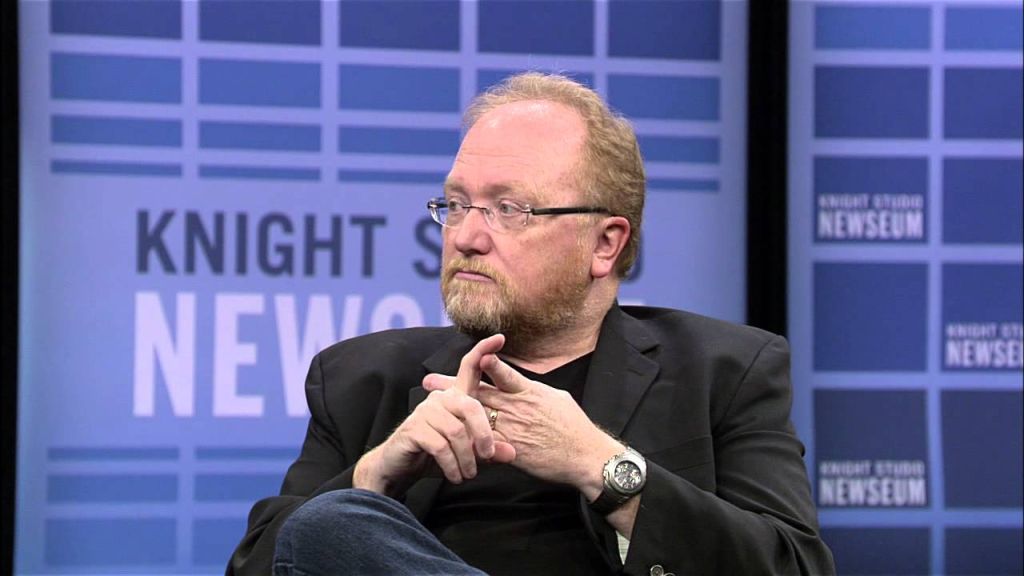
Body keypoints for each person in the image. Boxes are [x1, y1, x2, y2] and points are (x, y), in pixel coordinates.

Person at [228, 72, 835, 576]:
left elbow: (793, 566)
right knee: (334, 521)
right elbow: (263, 563)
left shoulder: (724, 372)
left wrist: (604, 467)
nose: (466, 236)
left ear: (605, 243)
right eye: (456, 204)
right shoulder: (361, 379)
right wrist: (376, 474)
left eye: (508, 210)